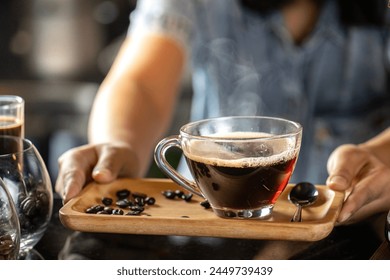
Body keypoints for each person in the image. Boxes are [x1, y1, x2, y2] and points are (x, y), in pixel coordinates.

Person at [55, 0, 390, 259]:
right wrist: (119, 143)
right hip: (211, 242)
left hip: (355, 239)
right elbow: (140, 82)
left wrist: (380, 153)